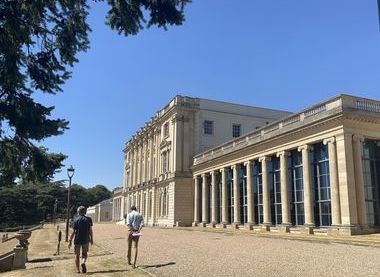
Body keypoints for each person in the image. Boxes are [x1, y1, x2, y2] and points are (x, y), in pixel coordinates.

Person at [68, 206, 93, 274]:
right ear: (85, 211)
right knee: (84, 254)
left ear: (78, 212)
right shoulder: (89, 219)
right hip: (86, 239)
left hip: (77, 240)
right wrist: (91, 239)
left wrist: (70, 240)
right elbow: (90, 230)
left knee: (77, 255)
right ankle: (83, 262)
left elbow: (74, 231)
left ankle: (78, 270)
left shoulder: (76, 219)